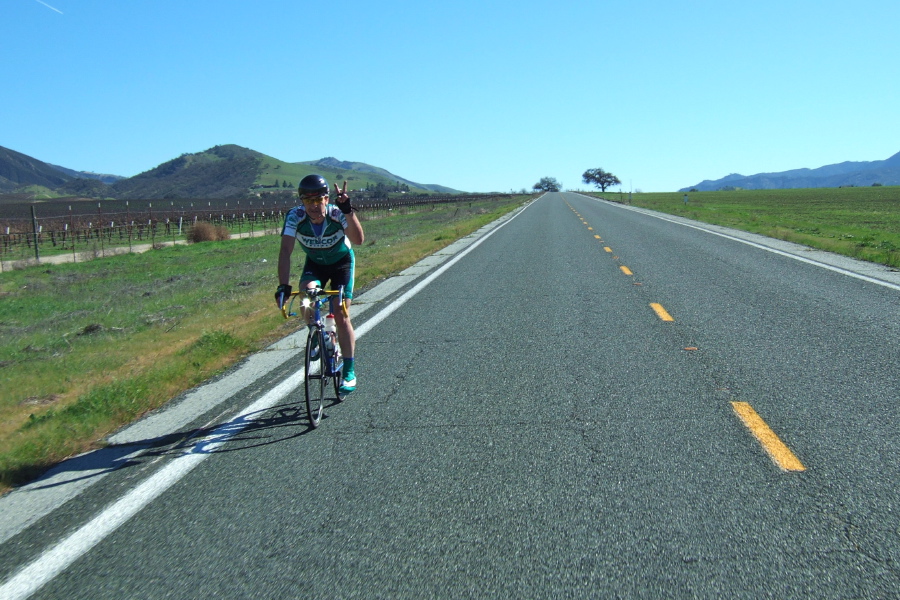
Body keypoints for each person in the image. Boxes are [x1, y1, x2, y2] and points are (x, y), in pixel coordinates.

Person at [276, 174, 365, 394]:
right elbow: (285, 251)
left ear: (327, 199)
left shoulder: (336, 213)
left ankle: (349, 371)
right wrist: (283, 286)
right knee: (306, 300)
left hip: (341, 263)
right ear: (301, 202)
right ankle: (318, 333)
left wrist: (347, 211)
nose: (314, 206)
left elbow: (359, 239)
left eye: (319, 200)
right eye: (308, 201)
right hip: (315, 263)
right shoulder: (294, 217)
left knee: (341, 313)